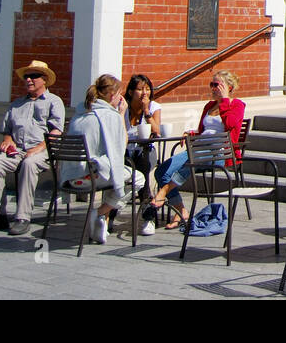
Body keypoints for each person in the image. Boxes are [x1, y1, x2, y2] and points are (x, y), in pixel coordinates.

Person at [143, 70, 244, 230]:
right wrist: (192, 133)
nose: (213, 88)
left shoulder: (236, 105)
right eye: (212, 84)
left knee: (190, 162)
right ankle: (181, 211)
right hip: (198, 149)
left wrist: (225, 100)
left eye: (216, 84)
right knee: (162, 171)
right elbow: (205, 130)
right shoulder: (209, 106)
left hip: (220, 153)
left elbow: (230, 124)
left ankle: (162, 193)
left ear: (229, 87)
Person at [0, 60, 65, 235]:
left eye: (33, 76)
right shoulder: (17, 103)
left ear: (45, 79)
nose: (29, 80)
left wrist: (39, 148)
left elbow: (56, 131)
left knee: (29, 164)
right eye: (27, 76)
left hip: (43, 150)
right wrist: (8, 140)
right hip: (18, 150)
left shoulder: (54, 101)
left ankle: (23, 217)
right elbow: (7, 129)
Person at [61, 73, 129, 244]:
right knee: (137, 178)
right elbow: (120, 148)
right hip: (88, 177)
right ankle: (99, 213)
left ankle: (102, 222)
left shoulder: (81, 112)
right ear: (113, 95)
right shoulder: (109, 116)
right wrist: (121, 114)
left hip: (69, 176)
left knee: (111, 170)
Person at [123, 74, 161, 233]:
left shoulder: (154, 107)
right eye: (140, 89)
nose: (145, 93)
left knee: (143, 165)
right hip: (125, 149)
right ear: (131, 92)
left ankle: (148, 217)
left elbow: (157, 131)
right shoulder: (123, 107)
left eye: (147, 89)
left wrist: (146, 111)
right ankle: (109, 214)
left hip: (145, 149)